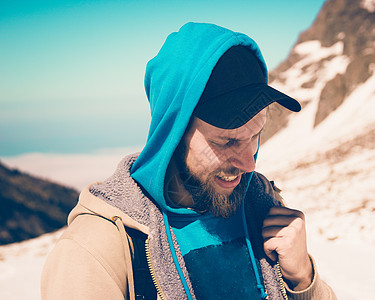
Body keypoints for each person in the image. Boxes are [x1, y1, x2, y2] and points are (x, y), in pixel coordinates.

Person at [41, 22, 336, 300]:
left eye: (255, 135)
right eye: (227, 141)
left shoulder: (263, 207)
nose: (249, 164)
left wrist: (302, 279)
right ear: (174, 132)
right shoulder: (95, 252)